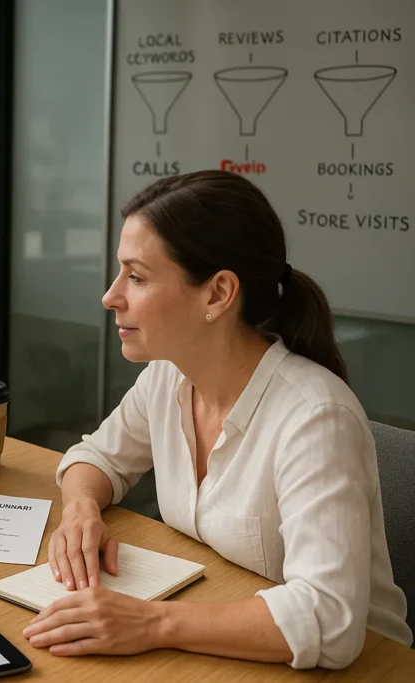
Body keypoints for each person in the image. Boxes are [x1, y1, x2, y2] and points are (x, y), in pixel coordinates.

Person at [22, 170, 412, 669]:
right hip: (232, 644)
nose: (111, 296)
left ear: (217, 294)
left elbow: (328, 618)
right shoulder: (168, 378)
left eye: (136, 277)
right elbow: (96, 458)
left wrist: (151, 623)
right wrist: (81, 512)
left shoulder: (316, 420)